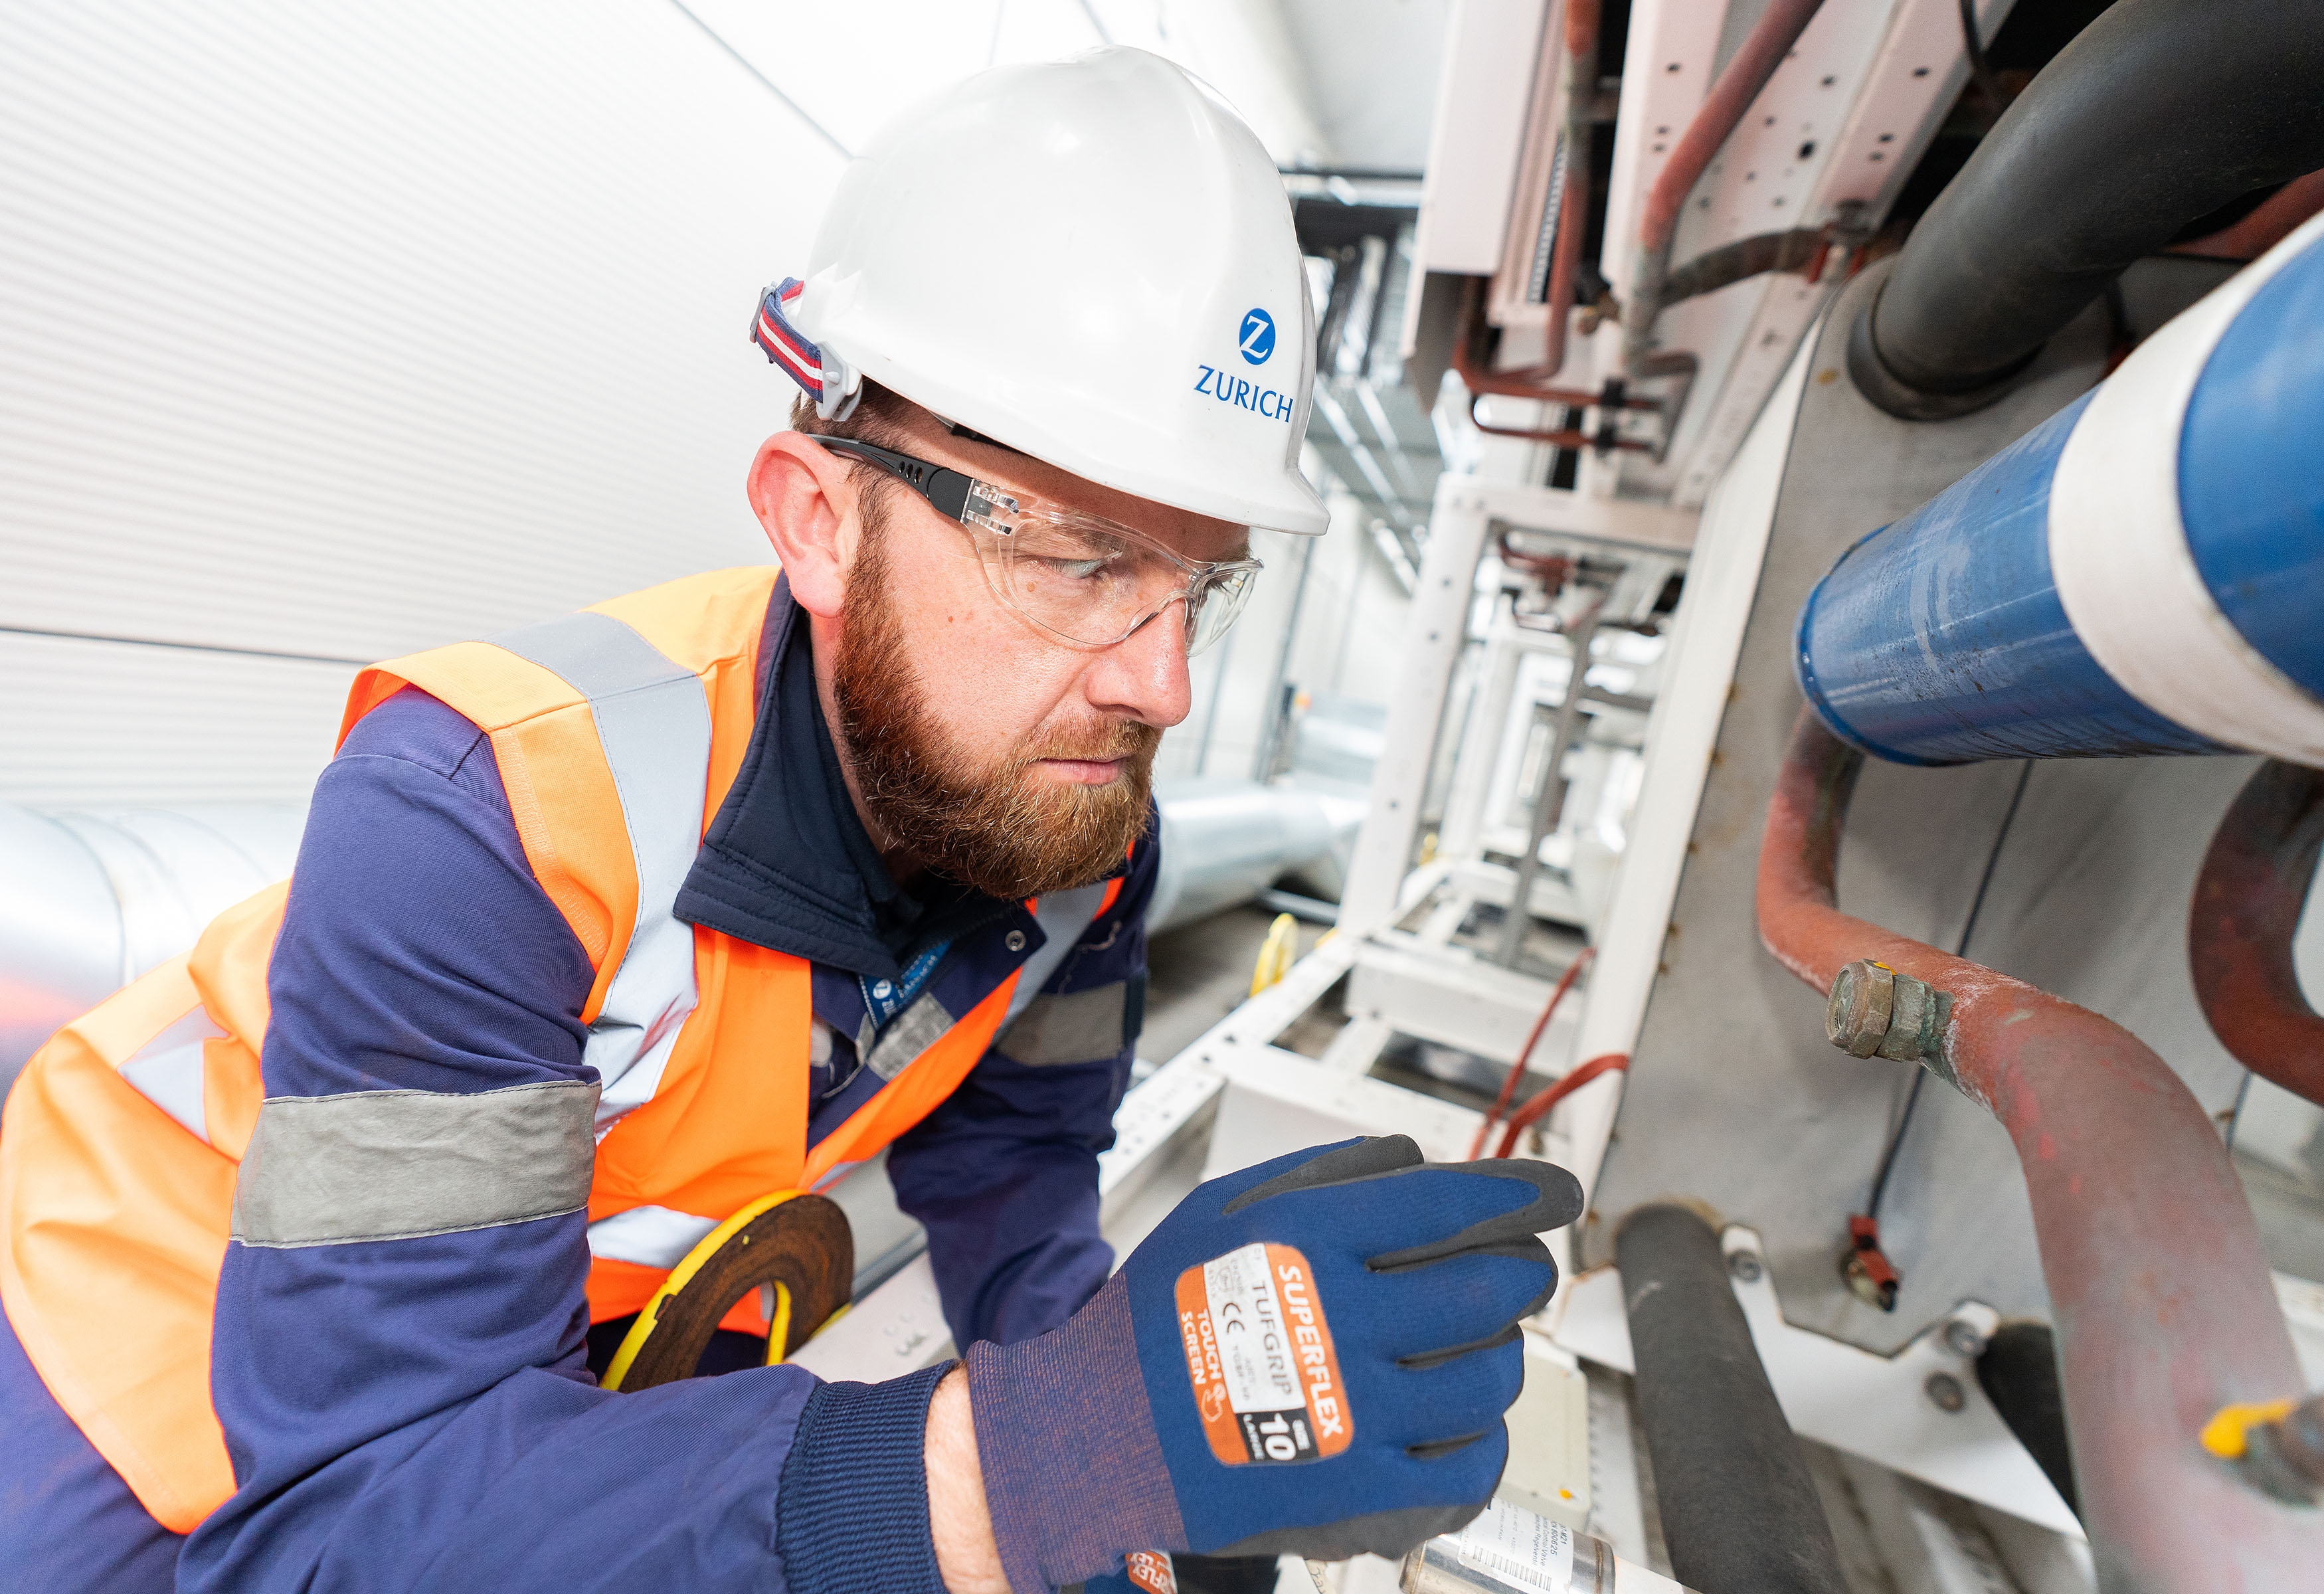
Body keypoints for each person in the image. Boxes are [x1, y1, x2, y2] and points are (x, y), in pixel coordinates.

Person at [0, 46, 1575, 1594]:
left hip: (501, 1393)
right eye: (1084, 562)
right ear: (818, 518)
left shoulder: (1077, 835)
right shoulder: (490, 820)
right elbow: (353, 1522)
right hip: (125, 1368)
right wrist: (1017, 1471)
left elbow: (1015, 1176)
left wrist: (1134, 1464)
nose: (1162, 684)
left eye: (1201, 585)